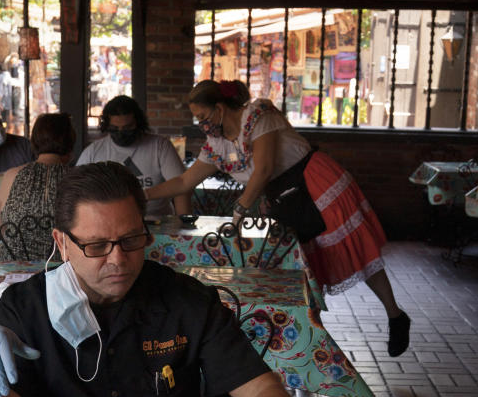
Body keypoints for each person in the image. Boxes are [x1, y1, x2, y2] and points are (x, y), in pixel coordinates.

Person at [0, 162, 295, 397]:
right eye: (97, 245)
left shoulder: (186, 300)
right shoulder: (28, 307)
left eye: (131, 239)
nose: (118, 260)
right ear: (61, 243)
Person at [146, 79, 411, 357]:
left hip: (314, 183)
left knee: (357, 255)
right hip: (285, 199)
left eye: (203, 116)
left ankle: (394, 314)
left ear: (220, 108)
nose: (202, 124)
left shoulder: (258, 117)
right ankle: (311, 343)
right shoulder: (218, 145)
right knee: (305, 271)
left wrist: (239, 210)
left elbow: (264, 169)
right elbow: (185, 181)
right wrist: (145, 195)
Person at [76, 95, 192, 216]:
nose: (121, 133)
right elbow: (76, 190)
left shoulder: (159, 146)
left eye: (127, 128)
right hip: (109, 222)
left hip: (154, 219)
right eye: (115, 129)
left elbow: (181, 187)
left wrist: (182, 222)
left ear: (138, 123)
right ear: (107, 126)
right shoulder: (93, 151)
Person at [0, 113, 75, 260]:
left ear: (35, 142)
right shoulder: (78, 179)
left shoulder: (11, 176)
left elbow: (0, 228)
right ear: (70, 144)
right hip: (62, 270)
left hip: (15, 271)